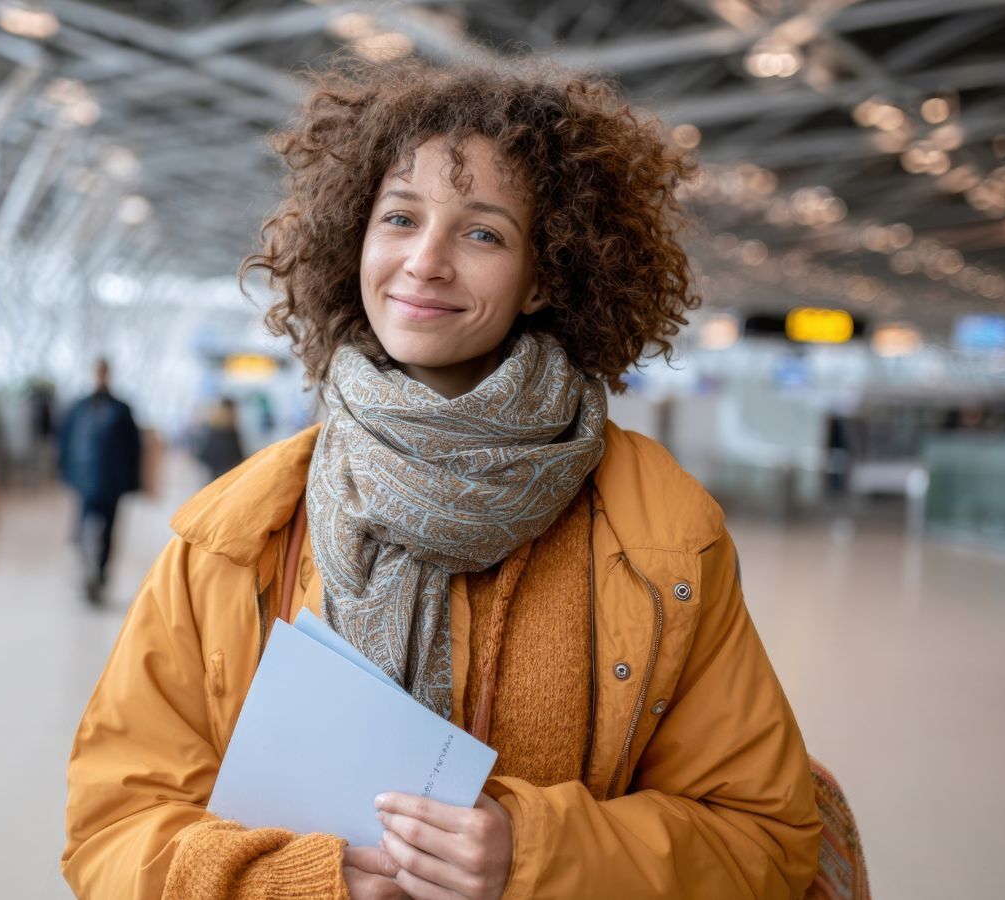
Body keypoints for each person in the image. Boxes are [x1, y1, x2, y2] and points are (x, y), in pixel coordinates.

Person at [62, 61, 820, 899]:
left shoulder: (660, 536)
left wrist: (531, 857)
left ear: (543, 277)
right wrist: (299, 884)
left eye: (483, 233)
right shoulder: (235, 536)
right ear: (357, 238)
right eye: (399, 217)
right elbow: (112, 829)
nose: (425, 261)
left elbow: (764, 838)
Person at [58, 359, 142, 604]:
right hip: (84, 479)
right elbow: (66, 441)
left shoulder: (121, 409)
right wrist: (65, 473)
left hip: (112, 480)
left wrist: (132, 480)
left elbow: (133, 448)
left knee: (108, 530)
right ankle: (86, 571)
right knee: (83, 528)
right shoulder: (80, 407)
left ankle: (101, 573)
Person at [192, 397, 247, 481]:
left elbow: (238, 455)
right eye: (228, 412)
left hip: (232, 478)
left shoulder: (233, 432)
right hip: (218, 478)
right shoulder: (214, 431)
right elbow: (203, 455)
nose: (230, 416)